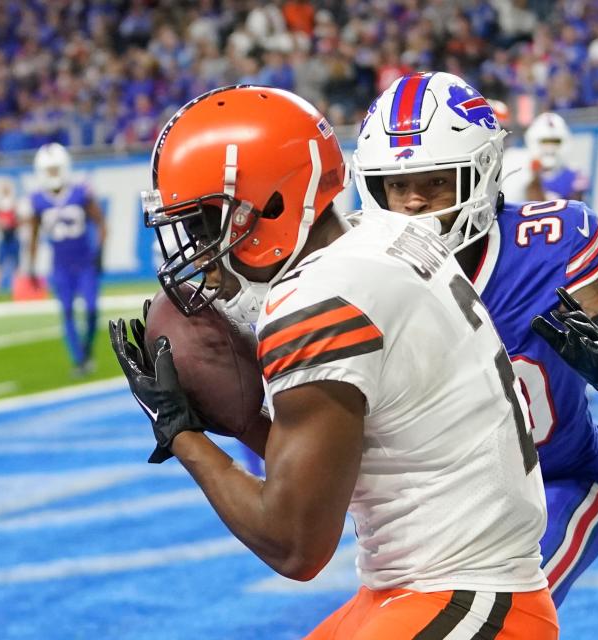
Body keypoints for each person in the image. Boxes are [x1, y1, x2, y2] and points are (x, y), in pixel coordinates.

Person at [111, 85, 559, 639]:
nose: (201, 251)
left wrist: (179, 433)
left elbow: (295, 545)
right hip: (429, 584)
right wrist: (248, 418)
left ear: (272, 203)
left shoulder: (318, 299)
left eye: (206, 222)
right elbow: (354, 458)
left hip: (465, 595)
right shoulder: (382, 235)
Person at [352, 72, 598, 607]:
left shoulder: (547, 245)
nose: (411, 203)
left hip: (557, 485)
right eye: (397, 185)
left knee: (492, 613)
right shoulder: (359, 273)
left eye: (434, 182)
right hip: (436, 509)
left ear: (479, 175)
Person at [26, 142, 107, 376]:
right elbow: (32, 236)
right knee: (68, 312)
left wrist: (100, 253)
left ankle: (87, 349)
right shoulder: (36, 200)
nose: (52, 174)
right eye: (48, 170)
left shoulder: (81, 192)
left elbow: (101, 224)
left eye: (55, 168)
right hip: (60, 266)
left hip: (84, 262)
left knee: (91, 309)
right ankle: (79, 360)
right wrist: (30, 267)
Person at [524, 111, 590, 202]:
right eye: (545, 141)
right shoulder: (525, 172)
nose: (550, 147)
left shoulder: (575, 173)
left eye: (555, 141)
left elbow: (576, 207)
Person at [0, 179, 27, 300]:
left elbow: (25, 219)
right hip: (1, 239)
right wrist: (1, 224)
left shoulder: (17, 202)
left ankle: (17, 291)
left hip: (15, 237)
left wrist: (14, 222)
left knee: (17, 266)